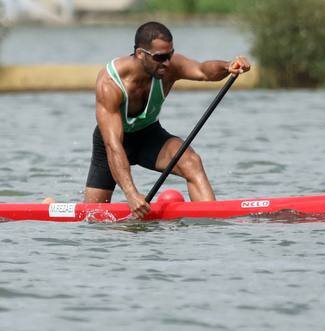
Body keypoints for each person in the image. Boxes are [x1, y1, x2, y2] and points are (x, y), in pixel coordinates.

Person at [87, 21, 250, 218]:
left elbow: (204, 71)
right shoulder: (110, 82)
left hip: (149, 135)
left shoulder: (170, 67)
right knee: (94, 216)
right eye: (160, 57)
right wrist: (131, 194)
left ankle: (211, 224)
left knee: (192, 162)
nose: (167, 62)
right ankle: (53, 205)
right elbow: (113, 145)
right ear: (140, 54)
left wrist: (228, 66)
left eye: (170, 55)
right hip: (112, 144)